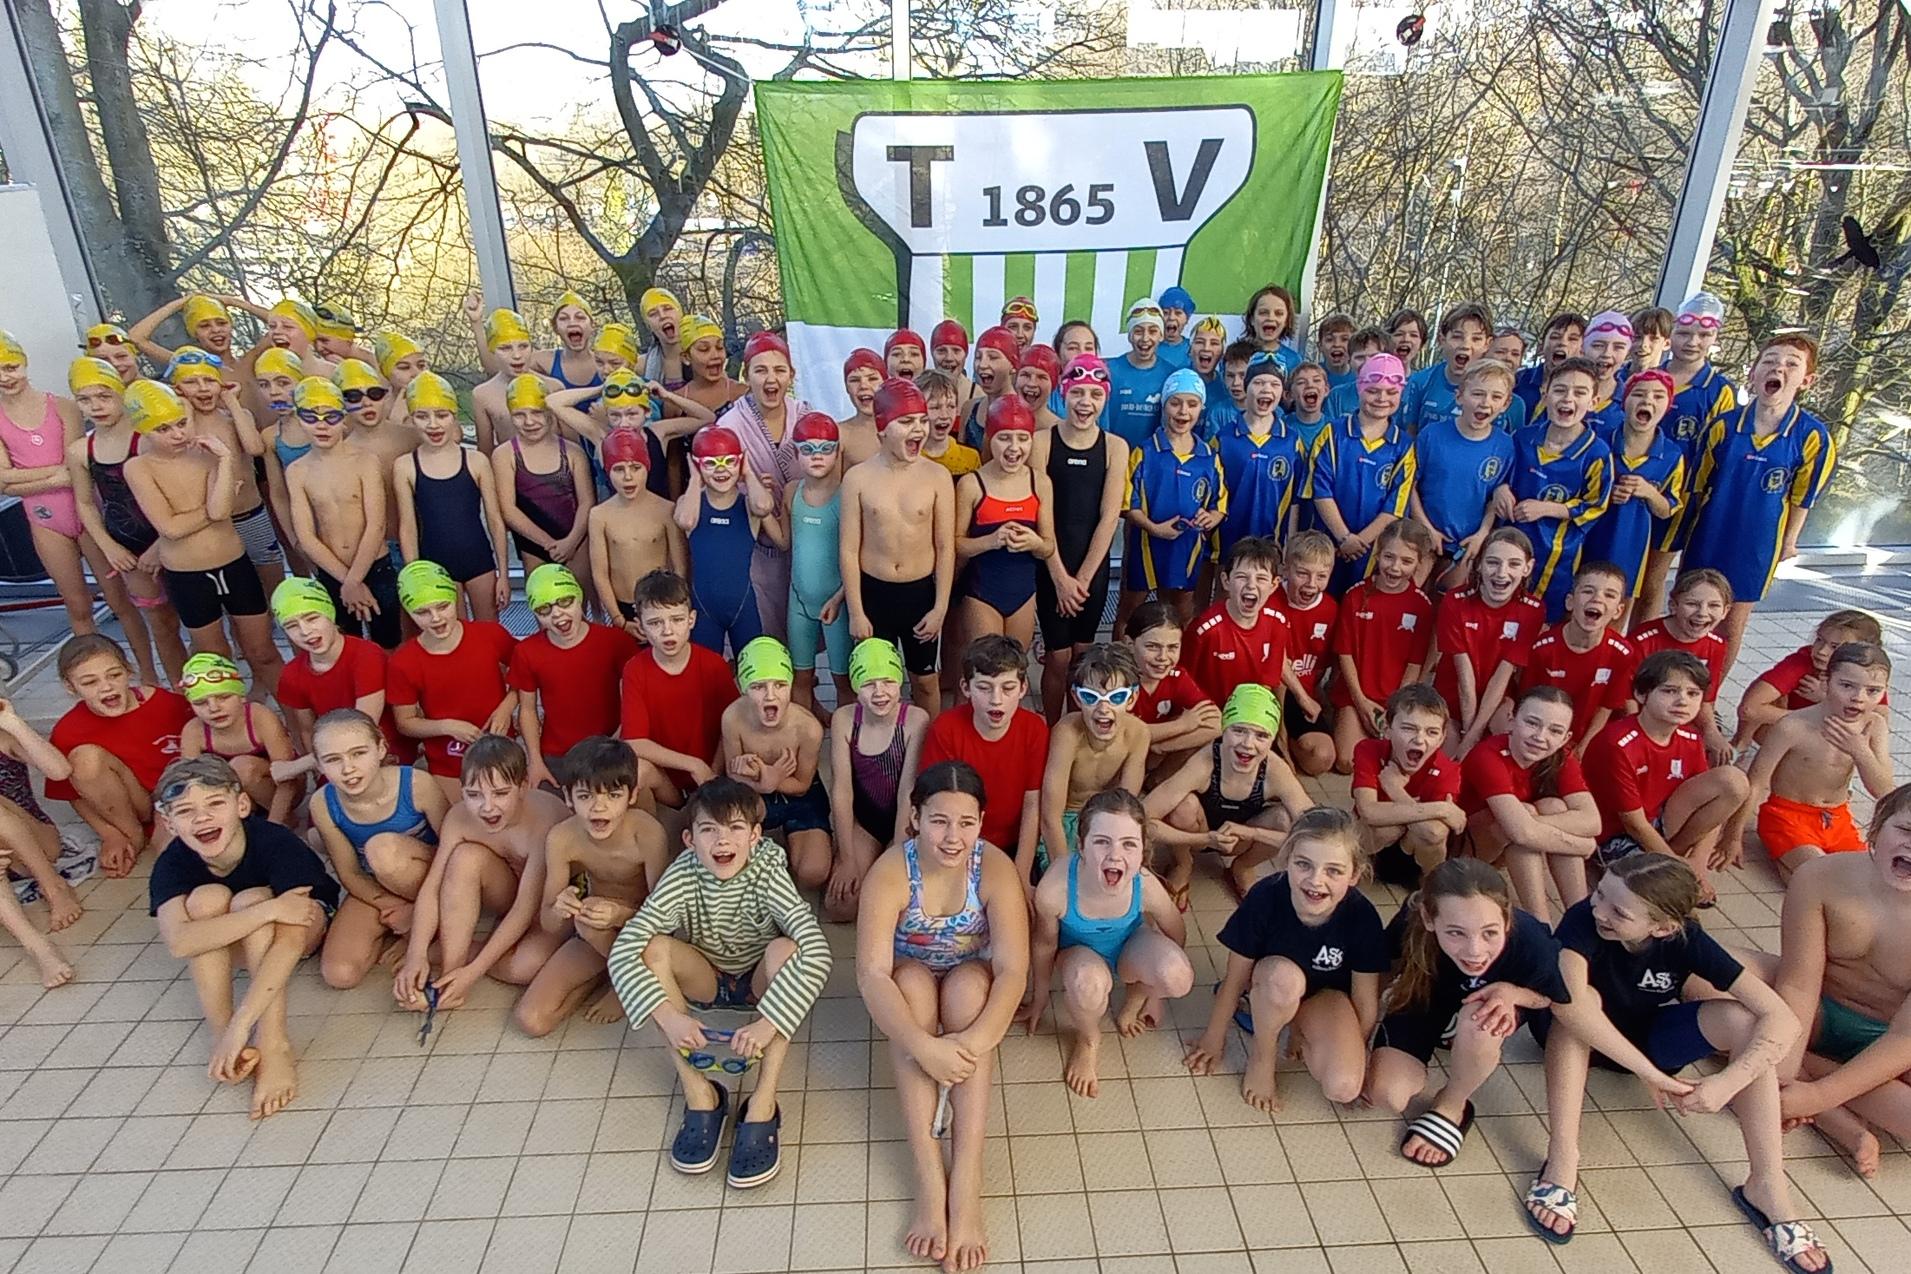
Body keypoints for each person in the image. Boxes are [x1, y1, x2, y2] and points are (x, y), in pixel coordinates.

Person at [1530, 856, 1828, 1271]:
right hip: (1573, 1034)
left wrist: (1727, 1082)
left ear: (1664, 927)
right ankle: (1562, 1157)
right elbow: (1572, 1007)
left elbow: (1782, 1019)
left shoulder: (1686, 940)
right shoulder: (1584, 921)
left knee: (1743, 1020)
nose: (1599, 910)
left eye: (1618, 911)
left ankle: (1767, 1183)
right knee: (1580, 1008)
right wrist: (1648, 1073)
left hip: (1642, 1032)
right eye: (1600, 895)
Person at [608, 775, 831, 1187]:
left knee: (787, 950)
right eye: (709, 830)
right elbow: (625, 949)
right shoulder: (682, 874)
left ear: (756, 836)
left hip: (758, 982)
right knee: (653, 948)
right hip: (706, 979)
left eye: (735, 829)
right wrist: (670, 1018)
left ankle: (763, 1103)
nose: (722, 842)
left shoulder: (768, 870)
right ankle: (701, 1096)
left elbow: (817, 949)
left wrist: (767, 1024)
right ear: (691, 840)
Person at [856, 761, 1029, 1272]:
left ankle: (967, 1187)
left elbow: (1013, 969)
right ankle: (931, 1185)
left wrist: (972, 1044)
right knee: (910, 985)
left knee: (970, 989)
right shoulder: (891, 872)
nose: (953, 837)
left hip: (967, 978)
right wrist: (923, 1044)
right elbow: (871, 974)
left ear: (981, 821)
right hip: (907, 981)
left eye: (966, 822)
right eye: (938, 821)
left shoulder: (993, 867)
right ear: (914, 817)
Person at [148, 755, 336, 1119]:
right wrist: (267, 911)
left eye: (215, 804)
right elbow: (180, 943)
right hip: (255, 923)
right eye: (185, 811)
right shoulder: (171, 862)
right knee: (206, 900)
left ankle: (272, 1041)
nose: (202, 818)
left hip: (303, 930)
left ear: (242, 805)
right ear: (169, 824)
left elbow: (292, 937)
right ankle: (224, 1037)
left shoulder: (275, 842)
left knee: (251, 898)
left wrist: (245, 1022)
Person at [1365, 858, 1568, 1168]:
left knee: (1481, 1020)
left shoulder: (1531, 941)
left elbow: (1552, 997)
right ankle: (1448, 1038)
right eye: (1456, 933)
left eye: (1489, 933)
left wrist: (1513, 993)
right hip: (1425, 1003)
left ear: (1507, 920)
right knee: (1388, 1095)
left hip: (1484, 1012)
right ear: (1429, 918)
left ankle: (1453, 1103)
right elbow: (1383, 972)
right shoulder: (1412, 919)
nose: (1474, 951)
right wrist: (1359, 1041)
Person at [1186, 806, 1384, 1111]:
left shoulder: (1363, 917)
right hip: (1274, 984)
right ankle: (1263, 1056)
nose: (1316, 881)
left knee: (1342, 1087)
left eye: (1333, 871)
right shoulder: (1265, 898)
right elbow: (1234, 978)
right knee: (1283, 980)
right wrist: (1213, 1037)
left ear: (1354, 875)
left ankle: (1297, 1028)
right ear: (1286, 861)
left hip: (1325, 997)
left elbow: (1365, 1001)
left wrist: (1358, 1052)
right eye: (1304, 864)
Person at [1762, 787, 1911, 1181]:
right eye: (1907, 829)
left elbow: (1904, 1038)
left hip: (1895, 1040)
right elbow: (1798, 985)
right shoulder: (1821, 876)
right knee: (1702, 983)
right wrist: (1782, 1074)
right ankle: (1841, 1122)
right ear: (1875, 829)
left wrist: (1814, 1095)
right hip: (1820, 1010)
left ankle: (1823, 1092)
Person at [1679, 334, 1838, 675]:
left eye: (1791, 364)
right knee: (1689, 610)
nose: (1778, 367)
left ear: (1806, 381)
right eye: (1770, 360)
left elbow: (1803, 497)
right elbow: (1696, 485)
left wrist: (1789, 540)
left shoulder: (1812, 437)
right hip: (1711, 533)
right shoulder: (1723, 426)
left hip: (1757, 543)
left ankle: (1707, 698)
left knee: (1732, 622)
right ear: (1753, 372)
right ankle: (1673, 683)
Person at [1021, 787, 1192, 1094]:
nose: (1115, 855)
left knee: (1178, 976)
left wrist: (1153, 993)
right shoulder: (1055, 889)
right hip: (1078, 951)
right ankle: (1088, 1040)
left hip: (1130, 944)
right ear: (1081, 846)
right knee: (1089, 985)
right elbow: (1045, 943)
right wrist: (1040, 995)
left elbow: (1176, 932)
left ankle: (1132, 1003)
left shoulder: (1147, 886)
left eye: (1129, 845)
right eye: (1102, 842)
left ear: (1142, 852)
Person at [0, 341, 155, 675]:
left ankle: (147, 674)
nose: (5, 377)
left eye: (11, 367)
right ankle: (91, 677)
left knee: (120, 602)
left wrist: (22, 480)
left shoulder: (65, 407)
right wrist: (55, 474)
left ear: (25, 364)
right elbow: (2, 481)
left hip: (88, 514)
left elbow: (76, 465)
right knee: (77, 606)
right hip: (45, 521)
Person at [394, 735, 571, 1012]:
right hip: (505, 891)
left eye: (500, 793)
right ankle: (449, 978)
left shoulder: (544, 822)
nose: (487, 807)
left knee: (524, 968)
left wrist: (473, 972)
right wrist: (415, 955)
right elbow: (433, 886)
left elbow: (525, 909)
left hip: (546, 905)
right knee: (465, 858)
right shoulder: (459, 817)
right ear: (462, 789)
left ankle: (455, 957)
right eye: (474, 795)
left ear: (523, 787)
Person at [516, 736, 668, 1037]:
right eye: (585, 797)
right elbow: (548, 922)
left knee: (592, 922)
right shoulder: (562, 839)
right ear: (568, 798)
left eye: (612, 796)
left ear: (632, 795)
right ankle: (609, 972)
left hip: (645, 936)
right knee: (532, 1021)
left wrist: (620, 915)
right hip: (596, 930)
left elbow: (668, 916)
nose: (599, 808)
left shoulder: (647, 833)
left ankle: (625, 982)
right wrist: (560, 907)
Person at [1583, 651, 1750, 905]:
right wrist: (1682, 874)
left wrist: (1697, 866)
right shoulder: (1617, 744)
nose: (1682, 701)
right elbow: (1633, 823)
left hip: (1660, 821)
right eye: (1669, 691)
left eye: (1693, 694)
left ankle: (1674, 860)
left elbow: (1712, 811)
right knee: (1651, 900)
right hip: (1614, 835)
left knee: (1734, 781)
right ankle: (1666, 864)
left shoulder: (1690, 738)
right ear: (1641, 694)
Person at [64, 354, 187, 685]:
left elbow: (181, 495)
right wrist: (109, 547)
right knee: (161, 624)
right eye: (85, 399)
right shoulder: (80, 450)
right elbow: (85, 503)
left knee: (201, 619)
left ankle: (215, 687)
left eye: (104, 396)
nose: (96, 406)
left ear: (121, 394)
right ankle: (180, 695)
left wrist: (162, 543)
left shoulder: (147, 438)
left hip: (171, 540)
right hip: (129, 551)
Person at [308, 708, 448, 989]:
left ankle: (431, 928)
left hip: (431, 876)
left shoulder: (416, 784)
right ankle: (399, 926)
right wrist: (395, 907)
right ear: (319, 765)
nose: (348, 768)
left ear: (381, 748)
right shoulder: (323, 803)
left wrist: (421, 913)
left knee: (381, 850)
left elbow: (453, 852)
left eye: (358, 753)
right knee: (340, 974)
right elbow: (349, 873)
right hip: (376, 883)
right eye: (333, 760)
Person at [841, 378, 956, 709]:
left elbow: (946, 547)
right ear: (882, 428)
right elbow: (848, 550)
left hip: (920, 594)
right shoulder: (858, 478)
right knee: (876, 683)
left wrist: (940, 608)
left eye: (922, 420)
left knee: (925, 682)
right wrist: (856, 612)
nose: (918, 429)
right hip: (874, 593)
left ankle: (931, 753)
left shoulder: (937, 477)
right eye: (906, 422)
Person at [1144, 683, 1312, 905]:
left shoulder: (1275, 770)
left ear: (1272, 740)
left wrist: (1252, 834)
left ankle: (1242, 866)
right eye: (1239, 730)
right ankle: (1183, 864)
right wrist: (1204, 838)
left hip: (1242, 838)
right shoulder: (1204, 763)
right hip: (1199, 832)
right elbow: (1143, 817)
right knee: (1183, 806)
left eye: (1261, 735)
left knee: (1284, 819)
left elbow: (1318, 830)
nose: (1247, 745)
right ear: (1224, 730)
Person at [44, 634, 193, 876]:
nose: (106, 687)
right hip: (137, 806)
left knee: (180, 860)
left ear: (129, 671)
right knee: (85, 759)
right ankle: (131, 835)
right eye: (90, 682)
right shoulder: (68, 730)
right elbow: (73, 793)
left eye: (114, 675)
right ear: (71, 687)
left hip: (178, 796)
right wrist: (110, 834)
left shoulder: (167, 704)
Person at [1746, 641, 1894, 880]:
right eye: (1847, 686)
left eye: (1873, 691)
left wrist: (1859, 751)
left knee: (1871, 879)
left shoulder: (1874, 726)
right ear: (1826, 683)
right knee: (1827, 875)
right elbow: (1754, 783)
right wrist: (1731, 839)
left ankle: (1792, 869)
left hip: (1837, 820)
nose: (1858, 698)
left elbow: (1885, 791)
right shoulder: (1793, 726)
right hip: (1785, 816)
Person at [1033, 354, 1127, 721]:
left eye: (1094, 394)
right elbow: (1042, 515)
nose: (1085, 403)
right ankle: (1053, 728)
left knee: (1083, 654)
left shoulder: (1115, 447)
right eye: (1077, 393)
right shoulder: (1042, 442)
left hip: (1092, 568)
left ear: (1105, 399)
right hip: (1051, 563)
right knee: (1057, 656)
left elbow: (1108, 517)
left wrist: (1082, 580)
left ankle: (1077, 728)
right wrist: (1060, 577)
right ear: (1064, 393)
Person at [920, 635, 1049, 900]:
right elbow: (937, 804)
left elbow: (1032, 804)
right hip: (959, 842)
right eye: (984, 687)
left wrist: (1021, 874)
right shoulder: (946, 730)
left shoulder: (1034, 730)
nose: (996, 700)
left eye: (1008, 688)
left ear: (1023, 688)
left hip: (1014, 846)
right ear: (966, 688)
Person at [1636, 292, 1738, 620]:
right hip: (1630, 486)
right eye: (1684, 333)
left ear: (1715, 338)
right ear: (1671, 336)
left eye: (1704, 335)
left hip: (1675, 498)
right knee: (1621, 577)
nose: (1692, 342)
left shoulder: (1718, 390)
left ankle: (1642, 657)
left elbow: (1719, 454)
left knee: (1651, 582)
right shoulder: (1649, 376)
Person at [1462, 685, 1601, 925]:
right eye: (1532, 723)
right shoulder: (1487, 756)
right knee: (1523, 818)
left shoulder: (1561, 758)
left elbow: (1592, 822)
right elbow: (1519, 831)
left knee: (1552, 806)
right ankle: (1540, 923)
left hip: (1513, 838)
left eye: (1555, 731)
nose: (1540, 737)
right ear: (1511, 720)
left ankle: (1579, 917)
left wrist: (1528, 824)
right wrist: (1580, 845)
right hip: (1468, 849)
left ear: (1566, 738)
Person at [281, 377, 400, 649]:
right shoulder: (297, 471)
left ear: (344, 418)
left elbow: (376, 526)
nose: (321, 425)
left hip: (375, 568)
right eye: (311, 417)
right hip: (332, 573)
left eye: (331, 417)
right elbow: (306, 536)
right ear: (299, 418)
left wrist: (355, 580)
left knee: (389, 644)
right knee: (343, 646)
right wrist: (347, 583)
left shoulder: (365, 461)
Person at [386, 560, 519, 800]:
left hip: (500, 748)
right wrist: (448, 726)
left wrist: (506, 708)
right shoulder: (403, 661)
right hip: (447, 761)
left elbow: (526, 675)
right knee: (462, 820)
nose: (436, 618)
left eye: (443, 606)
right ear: (408, 612)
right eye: (422, 612)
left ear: (456, 599)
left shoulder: (490, 635)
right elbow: (405, 722)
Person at [1497, 355, 1613, 620]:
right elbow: (1499, 474)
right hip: (1510, 541)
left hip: (1557, 555)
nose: (1568, 398)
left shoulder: (1596, 453)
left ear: (1593, 402)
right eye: (1560, 390)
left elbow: (1597, 504)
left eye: (1579, 392)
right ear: (1544, 393)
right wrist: (1500, 489)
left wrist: (1550, 508)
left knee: (1539, 618)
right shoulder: (1523, 438)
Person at [510, 563, 640, 791]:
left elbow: (638, 696)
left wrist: (620, 739)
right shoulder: (527, 651)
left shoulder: (614, 642)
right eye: (545, 609)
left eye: (565, 602)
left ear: (579, 599)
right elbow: (528, 710)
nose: (557, 614)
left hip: (610, 746)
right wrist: (535, 760)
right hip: (558, 755)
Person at [393, 371, 510, 623]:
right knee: (455, 637)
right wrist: (415, 576)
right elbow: (408, 528)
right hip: (436, 565)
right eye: (422, 416)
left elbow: (495, 520)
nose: (433, 424)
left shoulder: (476, 461)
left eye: (442, 415)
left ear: (454, 417)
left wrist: (503, 573)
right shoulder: (405, 466)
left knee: (489, 635)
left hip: (480, 561)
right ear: (411, 419)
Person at [619, 569, 739, 811]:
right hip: (666, 783)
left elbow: (732, 725)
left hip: (713, 775)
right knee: (636, 770)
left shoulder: (713, 665)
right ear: (640, 625)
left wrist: (711, 775)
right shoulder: (635, 670)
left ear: (691, 619)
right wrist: (693, 764)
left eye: (676, 619)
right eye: (655, 623)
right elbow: (635, 743)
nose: (667, 631)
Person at [720, 636, 831, 894]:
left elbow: (803, 784)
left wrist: (772, 778)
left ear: (790, 686)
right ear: (744, 688)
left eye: (780, 685)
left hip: (800, 795)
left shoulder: (808, 728)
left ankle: (793, 838)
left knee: (813, 874)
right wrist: (764, 780)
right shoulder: (733, 718)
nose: (771, 695)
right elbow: (731, 775)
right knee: (736, 870)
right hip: (752, 795)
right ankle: (773, 840)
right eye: (758, 686)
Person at [827, 638, 929, 919]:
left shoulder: (915, 720)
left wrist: (897, 853)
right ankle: (858, 858)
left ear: (900, 683)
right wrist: (847, 858)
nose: (880, 692)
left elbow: (908, 791)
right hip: (866, 822)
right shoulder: (845, 719)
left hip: (905, 820)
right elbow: (842, 791)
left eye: (888, 682)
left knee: (898, 902)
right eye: (869, 684)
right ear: (856, 687)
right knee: (840, 907)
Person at [271, 577, 409, 776]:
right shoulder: (292, 674)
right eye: (292, 625)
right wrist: (322, 768)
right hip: (332, 755)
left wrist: (296, 766)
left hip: (381, 745)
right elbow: (307, 731)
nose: (305, 631)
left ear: (330, 614)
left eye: (312, 618)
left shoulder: (366, 655)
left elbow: (362, 726)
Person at [1120, 368, 1225, 626]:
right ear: (1164, 406)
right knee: (1130, 610)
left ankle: (1175, 664)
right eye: (1175, 403)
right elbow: (1126, 505)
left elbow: (1219, 505)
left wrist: (1210, 518)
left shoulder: (1209, 457)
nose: (1183, 411)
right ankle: (1121, 663)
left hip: (1185, 548)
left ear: (1201, 407)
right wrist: (1153, 528)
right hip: (1145, 546)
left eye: (1192, 404)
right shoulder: (1144, 452)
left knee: (1179, 611)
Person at [1330, 519, 1435, 771]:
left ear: (1419, 564)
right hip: (1356, 696)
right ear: (1378, 554)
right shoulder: (1356, 596)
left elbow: (1414, 665)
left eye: (1406, 561)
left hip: (1395, 700)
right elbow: (1344, 654)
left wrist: (1395, 710)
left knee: (1398, 760)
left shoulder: (1421, 606)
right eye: (1389, 557)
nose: (1395, 567)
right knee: (1346, 762)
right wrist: (1361, 701)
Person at [1428, 528, 1545, 756]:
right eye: (1493, 562)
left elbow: (1502, 677)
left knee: (1508, 744)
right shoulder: (1455, 601)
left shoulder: (1533, 610)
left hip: (1498, 702)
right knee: (1448, 758)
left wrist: (1472, 738)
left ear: (1527, 568)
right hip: (1452, 698)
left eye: (1513, 564)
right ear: (1479, 565)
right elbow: (1464, 681)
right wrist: (1467, 737)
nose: (1502, 573)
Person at [763, 412, 851, 715]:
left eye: (825, 449)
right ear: (796, 453)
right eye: (808, 449)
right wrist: (762, 508)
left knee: (843, 680)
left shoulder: (847, 494)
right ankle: (805, 741)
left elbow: (856, 554)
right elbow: (785, 542)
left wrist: (840, 597)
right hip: (798, 600)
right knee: (800, 676)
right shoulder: (791, 492)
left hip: (839, 602)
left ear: (838, 451)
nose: (817, 457)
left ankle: (847, 742)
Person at [1580, 369, 1684, 621]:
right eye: (1638, 394)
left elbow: (1667, 508)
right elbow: (1578, 490)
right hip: (1588, 543)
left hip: (1630, 549)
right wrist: (1605, 494)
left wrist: (1649, 492)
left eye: (1658, 396)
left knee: (1615, 614)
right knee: (1579, 607)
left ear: (1667, 406)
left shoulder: (1671, 455)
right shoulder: (1598, 443)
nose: (1648, 401)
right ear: (1624, 401)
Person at [1308, 353, 1416, 595]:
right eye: (1373, 390)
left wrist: (1360, 542)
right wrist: (1344, 537)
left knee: (1359, 613)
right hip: (1327, 543)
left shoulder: (1403, 446)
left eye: (1391, 392)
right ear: (1359, 388)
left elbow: (1395, 507)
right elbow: (1320, 491)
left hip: (1372, 549)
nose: (1382, 398)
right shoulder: (1332, 434)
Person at [1408, 359, 1517, 591]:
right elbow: (1409, 486)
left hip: (1467, 545)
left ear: (1506, 403)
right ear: (1459, 397)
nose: (1485, 403)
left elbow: (1493, 500)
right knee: (1410, 602)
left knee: (1449, 606)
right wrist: (1425, 527)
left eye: (1496, 397)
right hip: (1424, 538)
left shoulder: (1504, 445)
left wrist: (1482, 534)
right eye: (1477, 394)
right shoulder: (1432, 435)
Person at [955, 396, 1055, 651]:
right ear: (990, 437)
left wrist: (1034, 543)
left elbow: (1049, 547)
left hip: (1023, 594)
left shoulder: (1040, 483)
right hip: (981, 593)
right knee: (982, 669)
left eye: (1022, 438)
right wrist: (991, 540)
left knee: (1015, 667)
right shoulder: (972, 484)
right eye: (1004, 437)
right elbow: (955, 545)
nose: (1014, 447)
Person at [1038, 643, 1148, 872]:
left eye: (1116, 698)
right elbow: (1050, 817)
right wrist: (1064, 875)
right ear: (1077, 699)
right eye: (1090, 697)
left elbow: (1125, 806)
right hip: (1066, 820)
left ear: (1132, 699)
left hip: (1107, 817)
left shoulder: (1138, 734)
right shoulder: (1067, 733)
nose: (1103, 708)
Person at [1516, 562, 1637, 754]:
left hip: (1587, 741)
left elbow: (1606, 708)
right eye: (1588, 591)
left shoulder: (1622, 653)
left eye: (1609, 595)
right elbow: (1528, 702)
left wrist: (1583, 749)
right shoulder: (1543, 648)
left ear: (1618, 611)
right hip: (1544, 739)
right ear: (1570, 602)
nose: (1597, 599)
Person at [676, 425, 773, 657]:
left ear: (740, 462)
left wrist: (748, 473)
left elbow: (764, 506)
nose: (721, 471)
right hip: (704, 607)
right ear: (698, 465)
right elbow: (686, 521)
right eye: (710, 463)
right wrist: (694, 480)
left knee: (753, 668)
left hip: (743, 606)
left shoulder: (748, 504)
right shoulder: (691, 503)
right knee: (707, 673)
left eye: (729, 462)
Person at [1352, 685, 1465, 884]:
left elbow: (1432, 832)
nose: (1419, 740)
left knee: (1432, 833)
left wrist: (1396, 791)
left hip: (1417, 859)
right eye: (1408, 728)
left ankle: (1433, 888)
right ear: (1387, 729)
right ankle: (1351, 873)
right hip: (1371, 852)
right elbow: (1368, 811)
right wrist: (1441, 809)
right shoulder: (1368, 750)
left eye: (1431, 732)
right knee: (1385, 828)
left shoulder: (1448, 770)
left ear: (1441, 738)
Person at [586, 424, 687, 638]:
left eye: (635, 467)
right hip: (622, 608)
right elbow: (600, 573)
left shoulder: (666, 510)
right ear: (608, 472)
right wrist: (618, 619)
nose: (628, 477)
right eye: (619, 469)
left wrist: (677, 609)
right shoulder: (599, 515)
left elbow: (680, 567)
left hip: (662, 606)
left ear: (647, 467)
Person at [1734, 608, 1883, 749]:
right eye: (1819, 640)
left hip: (1833, 739)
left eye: (1835, 647)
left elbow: (1878, 726)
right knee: (1768, 691)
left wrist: (1826, 701)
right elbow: (1749, 709)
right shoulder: (1802, 661)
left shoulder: (1868, 674)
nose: (1822, 651)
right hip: (1790, 732)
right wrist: (1813, 716)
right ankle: (1741, 743)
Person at [176, 652, 298, 823]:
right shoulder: (193, 731)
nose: (214, 708)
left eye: (224, 697)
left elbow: (288, 777)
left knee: (241, 768)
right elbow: (190, 784)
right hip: (235, 796)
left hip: (281, 790)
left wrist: (276, 824)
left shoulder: (260, 717)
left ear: (242, 696)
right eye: (201, 703)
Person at [1629, 568, 1734, 762]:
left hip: (1683, 715)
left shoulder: (1717, 645)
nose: (1702, 613)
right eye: (1692, 604)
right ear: (1673, 605)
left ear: (1725, 611)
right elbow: (1627, 697)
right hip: (1644, 717)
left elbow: (1706, 699)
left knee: (1718, 754)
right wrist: (1646, 735)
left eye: (1713, 605)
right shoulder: (1644, 640)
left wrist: (1712, 732)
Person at [494, 373, 594, 577]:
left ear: (550, 413)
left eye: (536, 412)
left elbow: (587, 502)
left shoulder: (573, 452)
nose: (529, 421)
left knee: (579, 602)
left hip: (575, 539)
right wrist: (547, 543)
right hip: (534, 545)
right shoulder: (505, 455)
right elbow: (509, 509)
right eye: (519, 415)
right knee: (543, 603)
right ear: (510, 415)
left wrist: (571, 542)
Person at [1180, 535, 1290, 707]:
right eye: (1242, 577)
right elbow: (1183, 680)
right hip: (1208, 715)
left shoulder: (1278, 623)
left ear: (1274, 585)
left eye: (1261, 578)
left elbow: (1268, 683)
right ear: (1226, 581)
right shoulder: (1204, 630)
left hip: (1250, 711)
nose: (1251, 585)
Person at [1215, 358, 1306, 561]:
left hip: (1272, 541)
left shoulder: (1291, 442)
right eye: (1258, 383)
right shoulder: (1224, 439)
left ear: (1282, 392)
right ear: (1246, 388)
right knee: (1227, 586)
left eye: (1274, 384)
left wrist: (1289, 541)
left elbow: (1295, 500)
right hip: (1228, 538)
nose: (1266, 389)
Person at [1269, 530, 1338, 775]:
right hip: (1267, 692)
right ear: (1285, 570)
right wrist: (1303, 697)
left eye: (1321, 576)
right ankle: (1278, 741)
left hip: (1302, 696)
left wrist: (1325, 700)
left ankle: (1288, 745)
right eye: (1302, 574)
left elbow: (1329, 662)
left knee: (1322, 758)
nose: (1311, 584)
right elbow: (1275, 659)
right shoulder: (1268, 600)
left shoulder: (1330, 609)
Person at [1124, 602, 1220, 771]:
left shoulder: (1176, 676)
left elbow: (1216, 723)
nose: (1163, 657)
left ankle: (1156, 782)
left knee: (1201, 734)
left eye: (1172, 648)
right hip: (1117, 764)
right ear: (1130, 644)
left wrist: (1162, 747)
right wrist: (1181, 725)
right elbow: (1122, 735)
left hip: (1155, 757)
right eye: (1152, 647)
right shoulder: (1116, 679)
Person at [466, 305, 557, 452]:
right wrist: (476, 323)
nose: (517, 355)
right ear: (492, 350)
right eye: (505, 348)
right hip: (511, 469)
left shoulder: (553, 388)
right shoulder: (482, 395)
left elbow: (572, 446)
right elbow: (485, 451)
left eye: (523, 346)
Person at [1399, 302, 1493, 434]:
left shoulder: (1493, 392)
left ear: (1487, 344)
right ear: (1441, 339)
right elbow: (1409, 434)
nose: (1466, 345)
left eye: (1476, 339)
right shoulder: (1420, 382)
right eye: (1457, 337)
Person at [1103, 299, 1173, 447]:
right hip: (1114, 455)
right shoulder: (1109, 370)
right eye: (1138, 331)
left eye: (1153, 331)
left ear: (1161, 336)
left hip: (1153, 459)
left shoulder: (1171, 375)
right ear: (1129, 336)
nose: (1145, 338)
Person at [1511, 311, 1586, 418]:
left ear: (1582, 351)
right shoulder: (1519, 380)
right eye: (1555, 337)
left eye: (1572, 339)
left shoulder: (1584, 392)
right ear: (1540, 348)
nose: (1563, 343)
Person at [957, 326, 1020, 450]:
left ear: (1013, 365)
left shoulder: (1025, 413)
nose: (982, 364)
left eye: (993, 357)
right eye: (978, 357)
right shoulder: (969, 408)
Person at [919, 368, 980, 478]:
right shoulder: (908, 458)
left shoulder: (970, 458)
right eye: (935, 407)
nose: (944, 415)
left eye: (951, 406)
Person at [836, 347, 887, 466]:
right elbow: (831, 484)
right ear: (847, 388)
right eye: (854, 380)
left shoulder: (905, 428)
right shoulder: (840, 434)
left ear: (885, 384)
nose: (864, 386)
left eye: (872, 379)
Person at [1243, 284, 1301, 373]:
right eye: (1263, 312)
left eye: (1279, 313)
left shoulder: (1293, 360)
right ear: (1252, 319)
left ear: (1287, 321)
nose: (1271, 318)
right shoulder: (1236, 355)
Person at [930, 319, 978, 419]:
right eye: (941, 351)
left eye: (956, 351)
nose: (949, 358)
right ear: (932, 353)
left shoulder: (978, 395)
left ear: (965, 355)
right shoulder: (921, 391)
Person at [1014, 343, 1063, 431]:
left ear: (1053, 384)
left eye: (1041, 377)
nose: (1032, 383)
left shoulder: (1061, 432)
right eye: (1025, 375)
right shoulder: (998, 419)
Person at [1315, 311, 1357, 392]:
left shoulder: (1360, 379)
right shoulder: (1310, 377)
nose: (1337, 344)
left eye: (1344, 339)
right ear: (1320, 346)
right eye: (1329, 340)